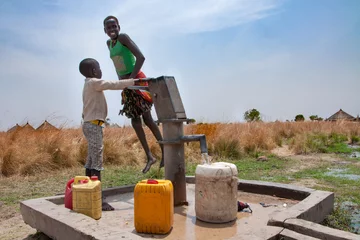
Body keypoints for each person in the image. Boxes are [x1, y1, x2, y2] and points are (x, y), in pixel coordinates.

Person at [103, 15, 164, 173]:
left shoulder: (123, 37)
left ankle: (165, 150)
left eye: (114, 26)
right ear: (105, 30)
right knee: (135, 122)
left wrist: (131, 79)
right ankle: (150, 156)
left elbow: (141, 57)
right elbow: (117, 64)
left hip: (136, 81)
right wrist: (121, 83)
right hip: (126, 84)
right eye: (109, 28)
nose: (112, 30)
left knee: (148, 119)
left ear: (119, 27)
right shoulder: (109, 44)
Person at [79, 58, 135, 211]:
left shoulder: (87, 85)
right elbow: (113, 84)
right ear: (94, 71)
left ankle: (88, 193)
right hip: (94, 126)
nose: (101, 70)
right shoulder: (94, 82)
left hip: (89, 125)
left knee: (91, 160)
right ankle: (98, 200)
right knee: (97, 161)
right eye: (99, 67)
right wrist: (132, 81)